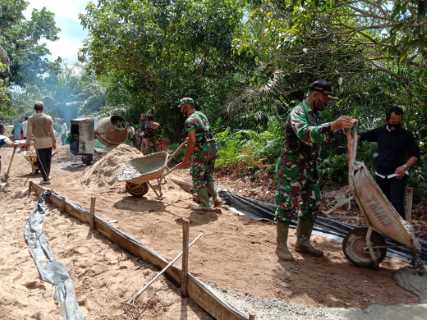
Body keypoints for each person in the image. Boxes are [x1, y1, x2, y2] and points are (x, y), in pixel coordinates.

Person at [275, 80, 355, 261]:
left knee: (312, 203)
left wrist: (340, 129)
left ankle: (302, 241)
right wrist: (332, 125)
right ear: (315, 94)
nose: (327, 102)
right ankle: (281, 246)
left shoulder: (316, 115)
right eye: (326, 97)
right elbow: (305, 134)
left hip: (309, 168)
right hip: (292, 168)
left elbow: (322, 138)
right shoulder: (298, 112)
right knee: (287, 205)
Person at [359, 106, 419, 219]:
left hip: (397, 176)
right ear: (387, 118)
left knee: (396, 206)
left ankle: (400, 234)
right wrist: (350, 133)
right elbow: (361, 136)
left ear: (401, 120)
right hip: (380, 176)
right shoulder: (379, 132)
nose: (394, 123)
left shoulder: (406, 135)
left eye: (397, 120)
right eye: (392, 120)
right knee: (380, 207)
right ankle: (383, 233)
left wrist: (405, 167)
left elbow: (415, 155)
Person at [176, 97, 221, 211]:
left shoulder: (189, 121)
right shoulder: (201, 115)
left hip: (202, 151)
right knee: (208, 175)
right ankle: (216, 199)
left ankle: (205, 204)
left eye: (182, 106)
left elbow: (192, 141)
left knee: (197, 177)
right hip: (212, 148)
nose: (181, 108)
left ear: (187, 106)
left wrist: (186, 159)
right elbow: (202, 131)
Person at [23, 102, 56, 185]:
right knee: (48, 160)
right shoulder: (49, 118)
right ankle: (47, 176)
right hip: (49, 141)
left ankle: (45, 179)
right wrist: (54, 141)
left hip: (39, 142)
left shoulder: (31, 119)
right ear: (43, 108)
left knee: (41, 161)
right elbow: (52, 131)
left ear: (35, 109)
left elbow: (29, 133)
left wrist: (27, 143)